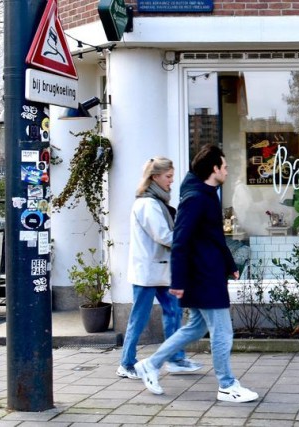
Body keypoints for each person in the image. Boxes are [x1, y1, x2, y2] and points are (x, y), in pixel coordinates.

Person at [135, 145, 259, 403]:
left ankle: (151, 364)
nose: (226, 170)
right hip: (202, 277)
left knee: (195, 327)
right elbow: (180, 240)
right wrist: (178, 281)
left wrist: (230, 264)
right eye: (224, 166)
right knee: (223, 332)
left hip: (208, 273)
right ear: (214, 169)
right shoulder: (196, 198)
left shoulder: (207, 194)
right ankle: (227, 385)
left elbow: (213, 237)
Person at [117, 157, 202, 379]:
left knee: (173, 312)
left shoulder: (156, 202)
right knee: (140, 318)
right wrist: (188, 237)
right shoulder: (147, 204)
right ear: (155, 177)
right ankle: (126, 363)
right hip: (148, 273)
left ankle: (175, 359)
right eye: (168, 177)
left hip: (160, 271)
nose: (171, 182)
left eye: (172, 177)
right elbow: (163, 236)